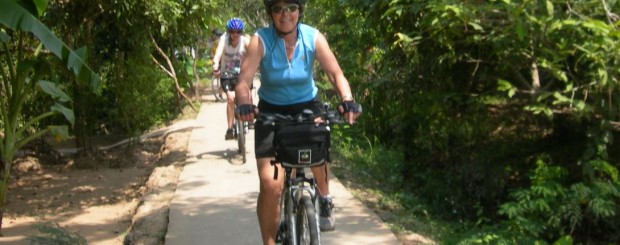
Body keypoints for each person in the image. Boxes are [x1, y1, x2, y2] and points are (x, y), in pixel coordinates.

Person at [234, 1, 362, 244]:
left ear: (300, 10)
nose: (286, 15)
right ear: (270, 12)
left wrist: (348, 100)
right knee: (271, 186)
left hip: (307, 105)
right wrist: (244, 103)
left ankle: (324, 198)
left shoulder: (313, 37)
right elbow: (244, 80)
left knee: (318, 152)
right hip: (271, 110)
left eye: (291, 7)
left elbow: (335, 74)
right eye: (278, 8)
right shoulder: (260, 40)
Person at [212, 18, 251, 140]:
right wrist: (215, 66)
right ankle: (230, 128)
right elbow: (217, 54)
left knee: (247, 94)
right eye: (233, 32)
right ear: (229, 32)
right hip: (226, 75)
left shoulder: (245, 41)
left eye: (238, 32)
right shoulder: (224, 40)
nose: (235, 35)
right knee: (230, 98)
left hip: (241, 75)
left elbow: (254, 54)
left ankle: (248, 118)